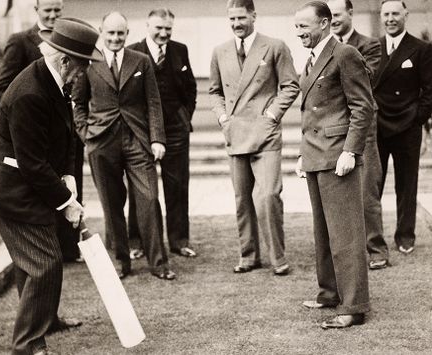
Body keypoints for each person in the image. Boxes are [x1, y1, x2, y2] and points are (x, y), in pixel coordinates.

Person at [0, 18, 102, 355]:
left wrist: (69, 177)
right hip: (10, 190)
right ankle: (27, 345)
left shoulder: (54, 80)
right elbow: (32, 162)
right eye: (82, 65)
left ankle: (44, 324)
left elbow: (64, 135)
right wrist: (66, 202)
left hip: (29, 183)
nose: (84, 72)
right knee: (45, 263)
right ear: (65, 60)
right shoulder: (29, 94)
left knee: (34, 262)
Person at [72, 12, 176, 280]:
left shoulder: (140, 61)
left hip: (137, 140)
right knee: (111, 204)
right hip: (102, 142)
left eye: (121, 33)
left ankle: (159, 263)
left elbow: (153, 102)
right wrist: (86, 134)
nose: (116, 38)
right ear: (101, 32)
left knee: (150, 199)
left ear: (127, 33)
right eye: (111, 33)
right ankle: (120, 261)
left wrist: (157, 139)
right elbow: (78, 103)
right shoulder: (88, 64)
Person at [294, 1, 373, 329]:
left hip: (337, 157)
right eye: (296, 27)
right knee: (324, 231)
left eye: (304, 27)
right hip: (315, 156)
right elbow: (311, 112)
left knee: (346, 234)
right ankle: (330, 292)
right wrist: (303, 153)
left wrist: (350, 151)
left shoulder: (345, 54)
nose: (299, 33)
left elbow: (363, 106)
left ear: (325, 23)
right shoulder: (312, 58)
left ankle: (353, 305)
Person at [209, 0, 299, 275]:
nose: (237, 24)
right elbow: (214, 92)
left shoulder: (274, 46)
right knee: (242, 199)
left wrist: (271, 114)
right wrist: (223, 117)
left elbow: (290, 85)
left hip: (265, 134)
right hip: (235, 133)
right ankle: (248, 256)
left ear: (253, 16)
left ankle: (278, 258)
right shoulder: (220, 51)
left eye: (241, 18)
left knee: (269, 195)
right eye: (232, 19)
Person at [0, 0, 85, 263]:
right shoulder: (20, 43)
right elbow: (7, 89)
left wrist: (68, 173)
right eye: (48, 10)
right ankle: (53, 253)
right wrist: (28, 117)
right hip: (34, 138)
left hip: (62, 141)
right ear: (37, 11)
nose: (54, 14)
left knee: (69, 192)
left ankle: (68, 247)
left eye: (58, 10)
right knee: (50, 201)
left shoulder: (71, 42)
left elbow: (66, 101)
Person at [127, 8, 197, 260]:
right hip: (142, 132)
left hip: (176, 131)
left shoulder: (180, 50)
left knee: (177, 186)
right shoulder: (133, 51)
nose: (164, 33)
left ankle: (179, 240)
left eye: (168, 28)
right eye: (159, 28)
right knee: (141, 189)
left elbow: (190, 88)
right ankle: (138, 241)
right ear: (148, 25)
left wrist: (184, 116)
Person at [327, 0, 388, 270]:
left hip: (362, 126)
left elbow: (367, 79)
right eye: (329, 16)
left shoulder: (370, 44)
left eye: (338, 14)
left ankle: (376, 249)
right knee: (337, 190)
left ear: (351, 13)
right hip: (333, 125)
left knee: (367, 188)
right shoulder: (323, 47)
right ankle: (345, 249)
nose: (334, 20)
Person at [373, 0, 432, 255]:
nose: (390, 19)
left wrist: (416, 118)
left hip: (407, 126)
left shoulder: (422, 48)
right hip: (377, 125)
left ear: (406, 15)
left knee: (407, 184)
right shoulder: (372, 48)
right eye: (386, 14)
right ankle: (373, 237)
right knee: (373, 184)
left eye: (395, 14)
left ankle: (405, 235)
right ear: (380, 17)